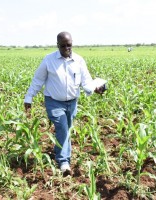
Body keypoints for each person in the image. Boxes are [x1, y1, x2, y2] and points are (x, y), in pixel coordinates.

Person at [24, 31, 105, 176]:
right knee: (62, 128)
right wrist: (28, 98)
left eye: (69, 45)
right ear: (58, 45)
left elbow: (86, 81)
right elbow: (38, 80)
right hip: (54, 102)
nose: (67, 48)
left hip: (72, 102)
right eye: (63, 46)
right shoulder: (49, 60)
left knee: (66, 129)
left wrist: (96, 88)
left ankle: (59, 151)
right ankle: (64, 162)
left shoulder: (79, 60)